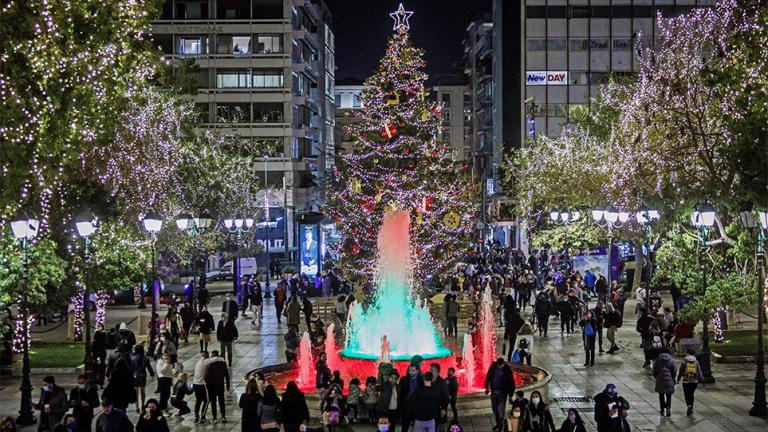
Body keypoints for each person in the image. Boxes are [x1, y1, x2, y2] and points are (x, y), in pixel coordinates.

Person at [484, 358, 515, 432]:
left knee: (501, 410)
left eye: (500, 366)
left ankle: (501, 426)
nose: (499, 367)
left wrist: (510, 395)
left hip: (503, 392)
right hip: (494, 391)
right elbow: (488, 376)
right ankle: (498, 424)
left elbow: (512, 383)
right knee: (494, 409)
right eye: (498, 365)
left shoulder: (507, 369)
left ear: (503, 364)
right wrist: (487, 387)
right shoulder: (493, 366)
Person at [204, 350, 231, 423]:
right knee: (221, 401)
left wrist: (207, 385)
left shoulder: (209, 364)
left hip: (212, 386)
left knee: (213, 402)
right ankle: (223, 416)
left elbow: (206, 376)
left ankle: (214, 417)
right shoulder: (223, 363)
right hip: (220, 385)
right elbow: (227, 375)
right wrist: (228, 385)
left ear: (212, 356)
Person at [676, 347, 703, 416]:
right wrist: (701, 378)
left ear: (687, 353)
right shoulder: (696, 361)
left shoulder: (684, 361)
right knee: (691, 394)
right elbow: (699, 370)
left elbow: (681, 371)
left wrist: (678, 379)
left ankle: (689, 405)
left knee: (686, 394)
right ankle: (691, 406)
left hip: (686, 380)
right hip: (694, 381)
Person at [398, 364, 424, 432]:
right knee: (404, 426)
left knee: (417, 427)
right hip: (406, 407)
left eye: (413, 371)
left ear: (417, 371)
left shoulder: (421, 380)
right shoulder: (403, 379)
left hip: (417, 407)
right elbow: (400, 394)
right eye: (409, 370)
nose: (411, 372)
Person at [652, 348, 676, 417]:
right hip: (669, 380)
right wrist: (673, 377)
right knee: (669, 395)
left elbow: (654, 370)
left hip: (660, 380)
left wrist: (656, 376)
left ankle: (662, 409)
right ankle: (668, 407)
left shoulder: (657, 360)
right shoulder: (671, 360)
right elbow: (674, 370)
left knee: (661, 395)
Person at [130, 344, 154, 413]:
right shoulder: (145, 358)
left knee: (136, 393)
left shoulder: (132, 357)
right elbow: (149, 367)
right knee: (142, 392)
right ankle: (143, 405)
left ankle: (137, 407)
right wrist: (152, 374)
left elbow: (130, 368)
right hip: (142, 376)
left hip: (134, 377)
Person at [192, 351, 209, 424]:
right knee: (206, 400)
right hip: (202, 384)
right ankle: (202, 416)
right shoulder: (205, 362)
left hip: (195, 384)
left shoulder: (198, 362)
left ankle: (196, 416)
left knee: (198, 400)